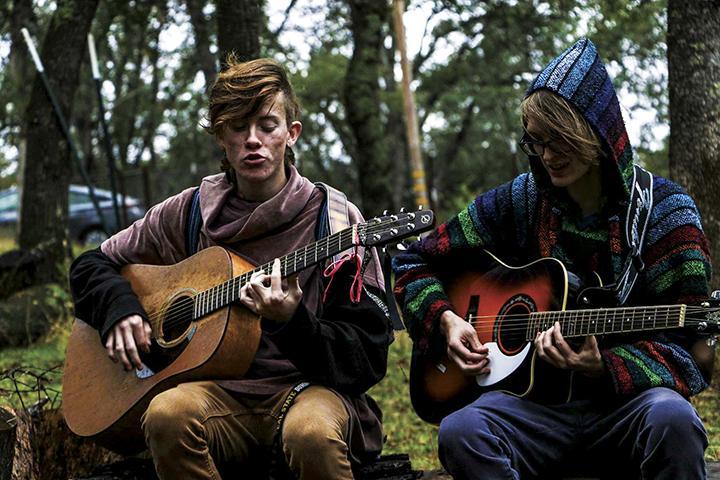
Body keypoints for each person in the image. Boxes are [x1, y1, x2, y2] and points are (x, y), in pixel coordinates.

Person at [392, 38, 714, 479]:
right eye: (538, 142)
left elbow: (694, 352)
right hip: (532, 413)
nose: (547, 156)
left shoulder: (666, 213)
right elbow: (413, 261)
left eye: (560, 141)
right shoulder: (521, 201)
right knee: (462, 429)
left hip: (629, 411)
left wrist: (607, 366)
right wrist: (445, 320)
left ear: (598, 133)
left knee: (673, 420)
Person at [69, 57, 393, 479]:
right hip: (219, 395)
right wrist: (120, 309)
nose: (252, 140)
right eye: (238, 127)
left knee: (310, 432)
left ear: (291, 134)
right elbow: (92, 263)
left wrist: (292, 322)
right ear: (222, 136)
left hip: (309, 392)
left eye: (267, 125)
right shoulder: (188, 212)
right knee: (167, 413)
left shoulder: (336, 221)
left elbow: (368, 357)